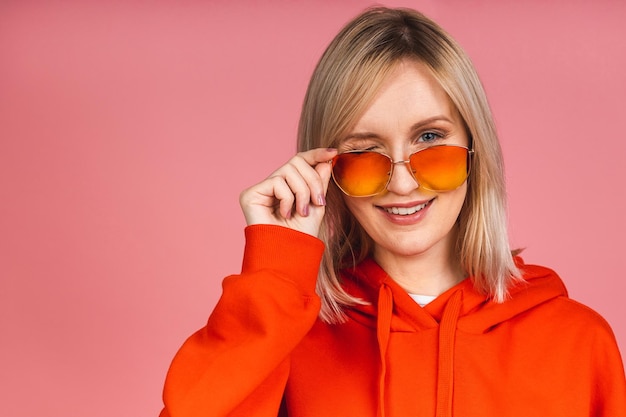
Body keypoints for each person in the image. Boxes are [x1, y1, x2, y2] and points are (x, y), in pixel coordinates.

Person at [159, 7, 626, 417]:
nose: (402, 183)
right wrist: (274, 271)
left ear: (474, 149)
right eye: (364, 151)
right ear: (327, 169)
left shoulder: (578, 342)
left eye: (429, 140)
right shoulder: (286, 338)